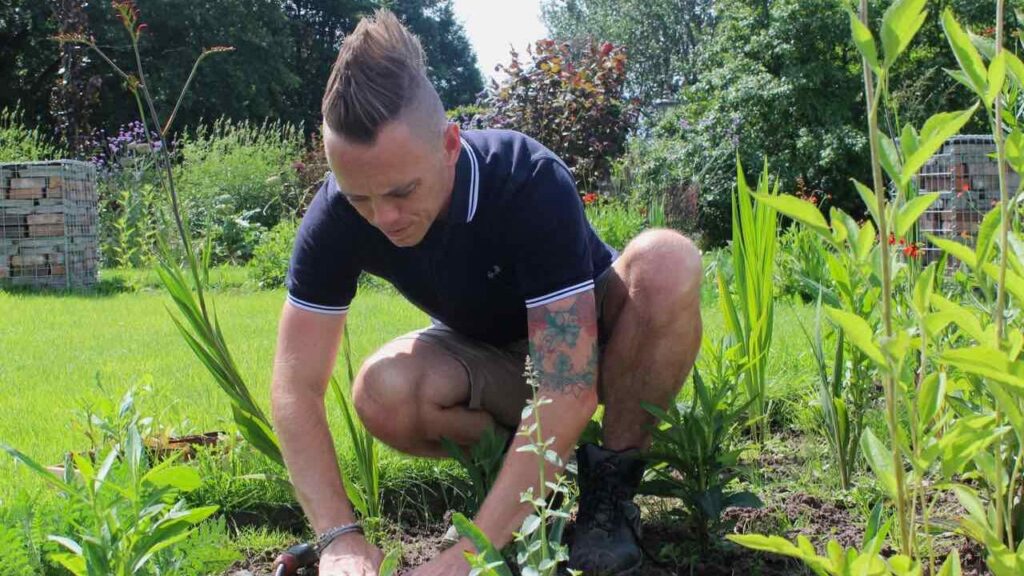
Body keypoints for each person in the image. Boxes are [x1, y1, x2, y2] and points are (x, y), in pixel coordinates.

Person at [270, 10, 702, 576]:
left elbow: (566, 387)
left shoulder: (526, 180)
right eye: (360, 199)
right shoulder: (336, 216)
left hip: (591, 345)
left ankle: (608, 496)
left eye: (402, 191)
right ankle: (528, 495)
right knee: (384, 390)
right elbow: (295, 386)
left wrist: (466, 557)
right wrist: (339, 539)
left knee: (668, 260)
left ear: (450, 144)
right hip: (492, 358)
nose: (384, 218)